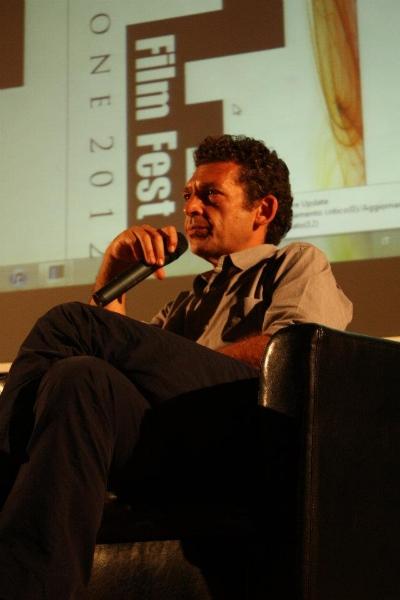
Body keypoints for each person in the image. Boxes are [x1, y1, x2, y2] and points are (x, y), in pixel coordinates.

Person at [0, 134, 352, 598]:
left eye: (210, 195)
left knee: (71, 322)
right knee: (79, 378)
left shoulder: (295, 261)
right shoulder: (185, 304)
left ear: (262, 210)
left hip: (250, 426)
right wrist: (113, 272)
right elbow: (112, 370)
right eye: (187, 195)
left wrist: (174, 365)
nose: (191, 207)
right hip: (180, 446)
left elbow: (293, 354)